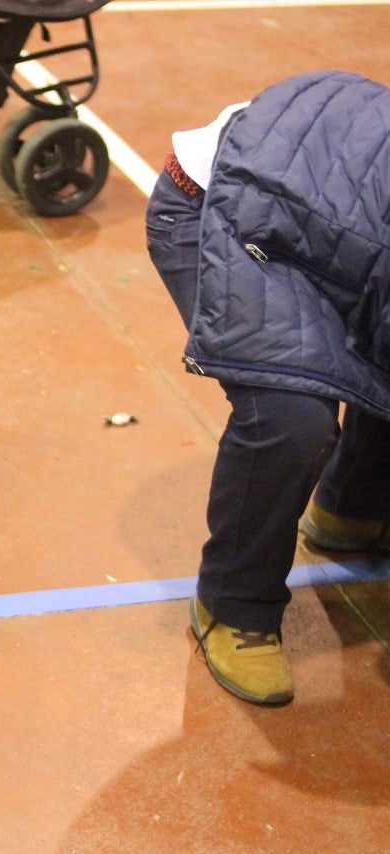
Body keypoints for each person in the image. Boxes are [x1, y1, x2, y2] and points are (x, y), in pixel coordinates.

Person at [145, 69, 390, 706]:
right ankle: (234, 605)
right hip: (220, 207)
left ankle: (349, 508)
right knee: (291, 419)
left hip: (325, 222)